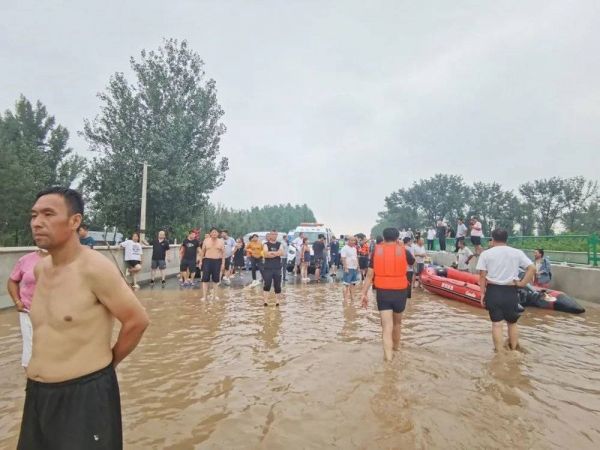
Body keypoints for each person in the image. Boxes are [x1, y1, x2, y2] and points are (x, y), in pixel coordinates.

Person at [19, 187, 149, 449]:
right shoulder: (41, 269)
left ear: (74, 221)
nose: (37, 222)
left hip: (84, 397)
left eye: (48, 214)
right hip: (38, 394)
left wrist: (107, 365)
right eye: (34, 215)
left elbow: (137, 321)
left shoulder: (95, 268)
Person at [476, 228, 535, 352]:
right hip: (510, 291)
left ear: (493, 239)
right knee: (512, 322)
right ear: (506, 239)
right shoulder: (516, 252)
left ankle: (499, 353)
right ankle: (514, 349)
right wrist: (522, 283)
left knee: (497, 324)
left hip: (493, 291)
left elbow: (482, 276)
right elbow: (532, 268)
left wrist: (482, 294)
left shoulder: (486, 254)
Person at [360, 228, 415, 362]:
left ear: (383, 238)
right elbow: (412, 262)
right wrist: (402, 246)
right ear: (397, 238)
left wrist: (363, 293)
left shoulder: (376, 251)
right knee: (397, 324)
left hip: (383, 292)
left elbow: (369, 275)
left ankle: (388, 360)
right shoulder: (404, 251)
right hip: (400, 292)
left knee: (386, 327)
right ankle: (396, 350)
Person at [7, 249, 48, 369]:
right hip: (28, 311)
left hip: (58, 314)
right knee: (30, 350)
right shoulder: (25, 260)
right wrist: (17, 301)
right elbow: (12, 281)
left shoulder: (69, 259)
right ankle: (32, 378)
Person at [200, 227, 225, 300]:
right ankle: (204, 296)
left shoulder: (221, 241)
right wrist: (201, 261)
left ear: (218, 233)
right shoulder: (206, 241)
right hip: (207, 261)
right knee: (205, 279)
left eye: (215, 232)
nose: (214, 233)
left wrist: (223, 264)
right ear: (210, 233)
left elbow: (223, 253)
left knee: (216, 280)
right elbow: (202, 252)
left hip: (217, 261)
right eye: (213, 232)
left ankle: (215, 295)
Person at [262, 230, 284, 306]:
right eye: (273, 234)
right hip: (268, 267)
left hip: (277, 267)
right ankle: (265, 301)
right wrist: (276, 253)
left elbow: (282, 253)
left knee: (277, 285)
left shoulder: (279, 244)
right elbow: (265, 254)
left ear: (277, 235)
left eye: (275, 234)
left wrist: (271, 253)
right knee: (267, 284)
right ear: (270, 235)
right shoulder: (266, 244)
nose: (274, 236)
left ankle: (277, 302)